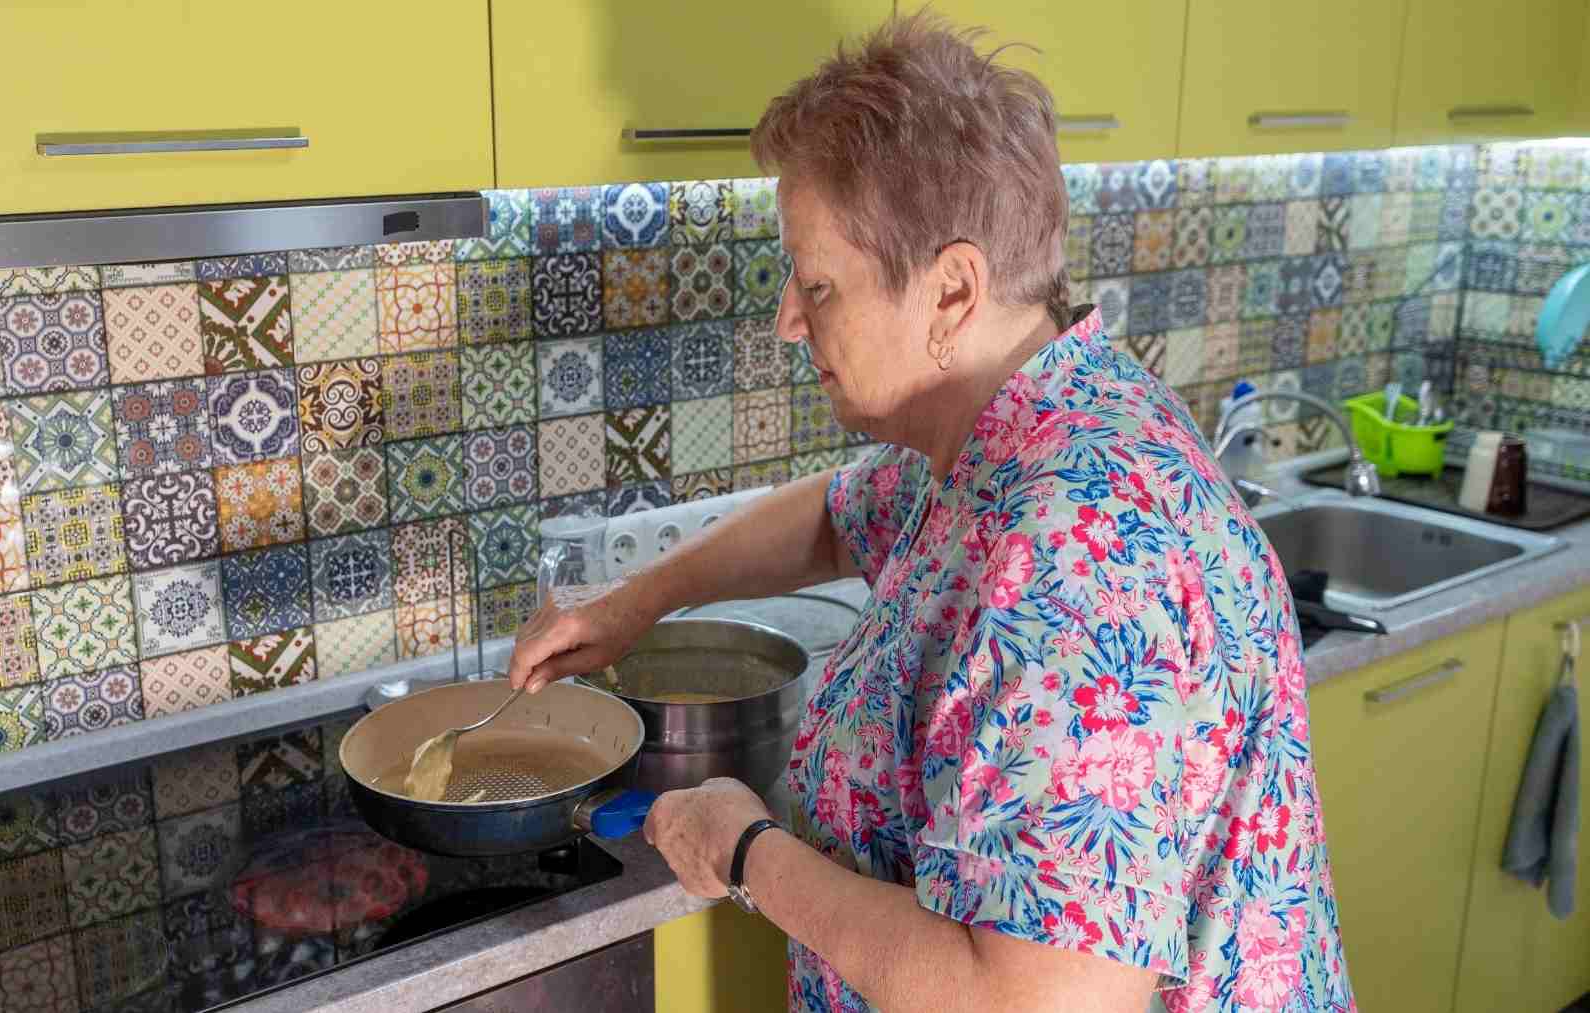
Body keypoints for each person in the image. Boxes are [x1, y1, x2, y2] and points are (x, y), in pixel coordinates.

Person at [506, 12, 1354, 1012]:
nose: (789, 316)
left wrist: (744, 848)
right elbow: (835, 515)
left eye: (817, 283)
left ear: (952, 290)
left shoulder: (1077, 552)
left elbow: (1035, 1000)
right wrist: (633, 603)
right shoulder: (1028, 421)